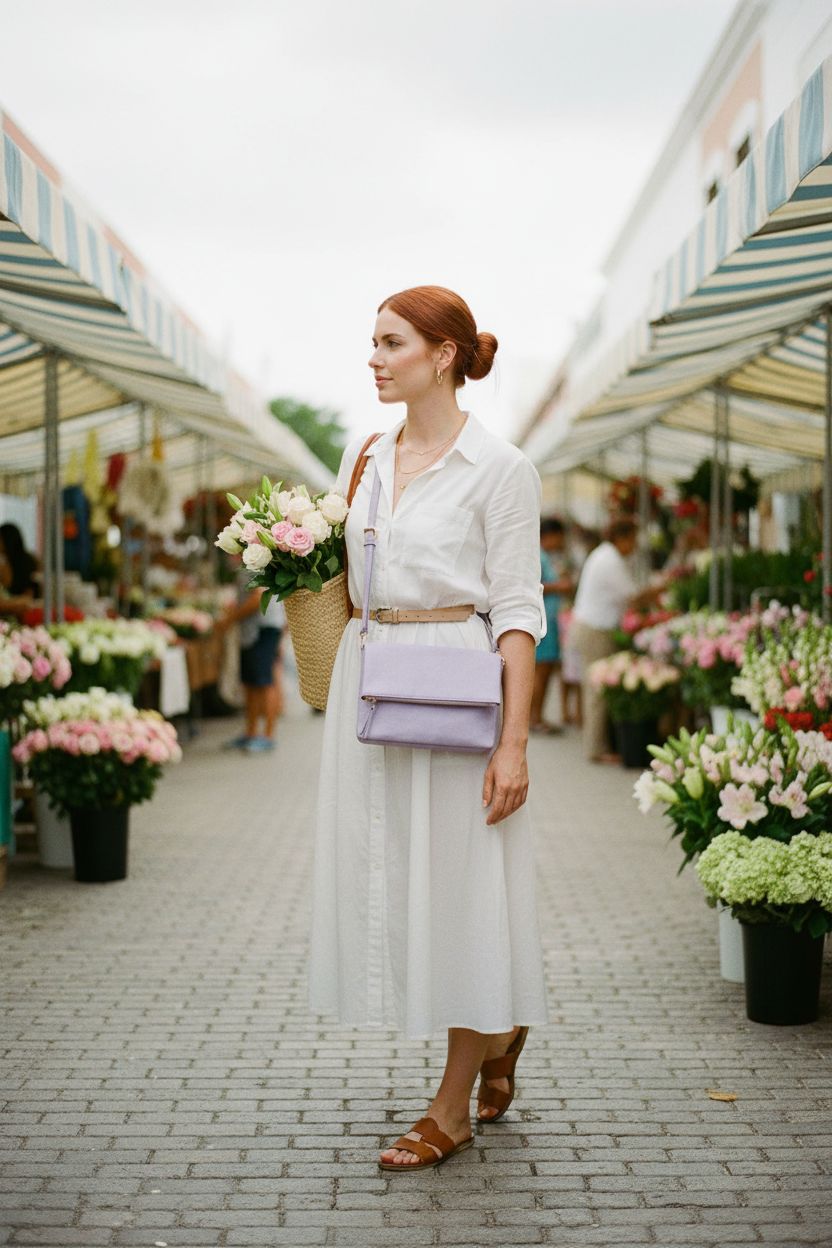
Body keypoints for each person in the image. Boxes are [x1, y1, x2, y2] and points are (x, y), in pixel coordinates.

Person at [309, 286, 549, 1172]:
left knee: (459, 889)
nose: (374, 357)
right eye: (371, 342)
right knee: (398, 879)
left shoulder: (501, 467)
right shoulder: (364, 454)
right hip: (370, 685)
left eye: (391, 342)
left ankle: (450, 1106)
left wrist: (515, 743)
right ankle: (498, 1028)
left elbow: (519, 610)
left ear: (443, 354)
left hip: (458, 685)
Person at [570, 518, 662, 763]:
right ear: (621, 538)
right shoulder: (609, 559)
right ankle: (596, 749)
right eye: (632, 539)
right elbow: (633, 597)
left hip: (594, 627)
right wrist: (661, 588)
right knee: (597, 691)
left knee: (598, 689)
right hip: (595, 630)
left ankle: (599, 745)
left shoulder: (606, 555)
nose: (634, 545)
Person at [216, 573, 285, 752]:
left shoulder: (255, 557)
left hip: (260, 628)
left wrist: (229, 619)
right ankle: (252, 733)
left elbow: (258, 598)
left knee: (264, 681)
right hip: (256, 629)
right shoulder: (251, 557)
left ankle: (268, 736)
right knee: (252, 683)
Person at [530, 517, 573, 733]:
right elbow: (533, 585)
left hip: (548, 619)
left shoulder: (546, 556)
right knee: (541, 671)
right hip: (542, 620)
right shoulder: (538, 555)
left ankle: (538, 716)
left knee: (545, 671)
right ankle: (534, 718)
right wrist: (560, 586)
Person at [0, 523, 38, 601]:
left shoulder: (27, 561)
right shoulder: (4, 562)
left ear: (8, 540)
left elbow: (30, 593)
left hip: (25, 605)